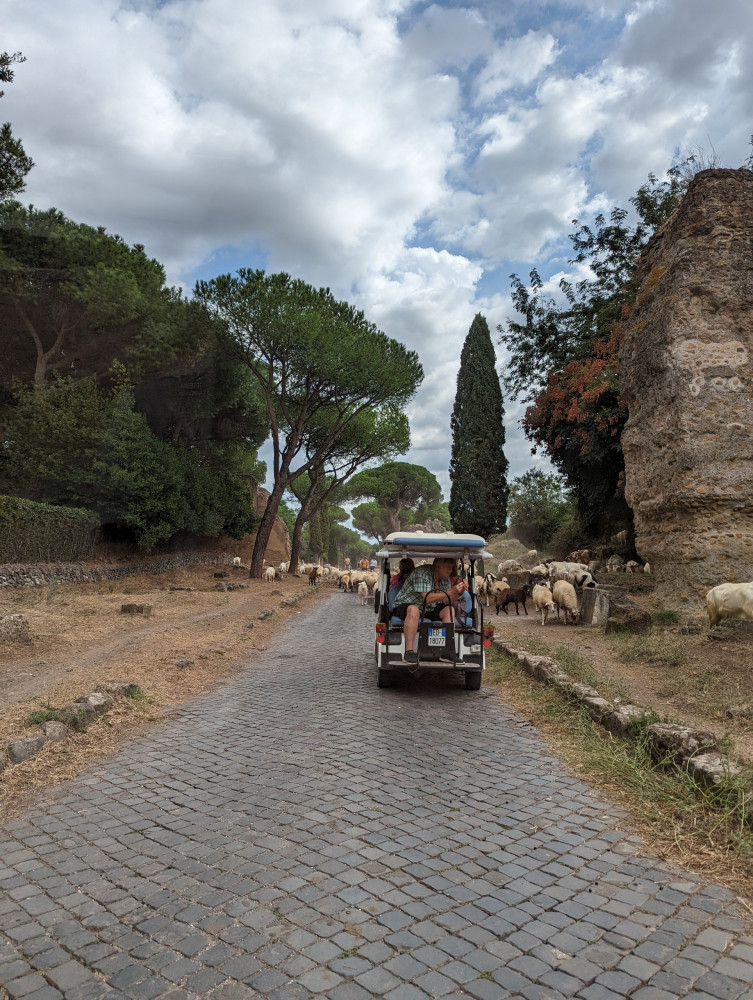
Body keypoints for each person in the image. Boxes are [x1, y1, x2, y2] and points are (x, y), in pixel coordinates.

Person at [392, 557, 465, 665]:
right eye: (448, 567)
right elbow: (427, 598)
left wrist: (458, 593)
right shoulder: (421, 573)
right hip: (406, 605)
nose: (450, 570)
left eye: (451, 567)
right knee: (414, 610)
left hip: (428, 608)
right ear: (438, 566)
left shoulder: (444, 578)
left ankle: (447, 652)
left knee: (449, 609)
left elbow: (447, 601)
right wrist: (451, 591)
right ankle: (409, 652)